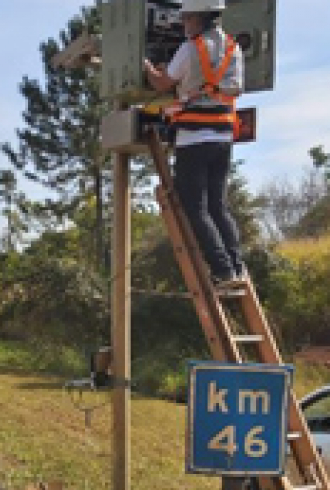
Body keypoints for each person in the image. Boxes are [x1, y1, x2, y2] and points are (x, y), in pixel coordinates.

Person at [144, 0, 245, 288]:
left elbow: (162, 84)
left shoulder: (190, 48)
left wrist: (147, 66)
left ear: (198, 18)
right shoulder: (232, 48)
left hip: (194, 138)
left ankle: (223, 271)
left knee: (195, 207)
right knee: (218, 205)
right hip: (224, 137)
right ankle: (236, 267)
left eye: (186, 19)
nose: (184, 25)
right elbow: (234, 87)